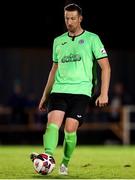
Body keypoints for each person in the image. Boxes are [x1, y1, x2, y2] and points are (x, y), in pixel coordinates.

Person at [30, 3, 111, 175]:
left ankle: (64, 163)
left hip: (81, 91)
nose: (70, 22)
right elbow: (54, 70)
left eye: (73, 18)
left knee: (69, 129)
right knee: (52, 125)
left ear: (80, 18)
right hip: (59, 89)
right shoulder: (58, 41)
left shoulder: (92, 39)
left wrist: (104, 93)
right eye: (67, 18)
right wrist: (45, 95)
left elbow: (106, 67)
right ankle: (48, 156)